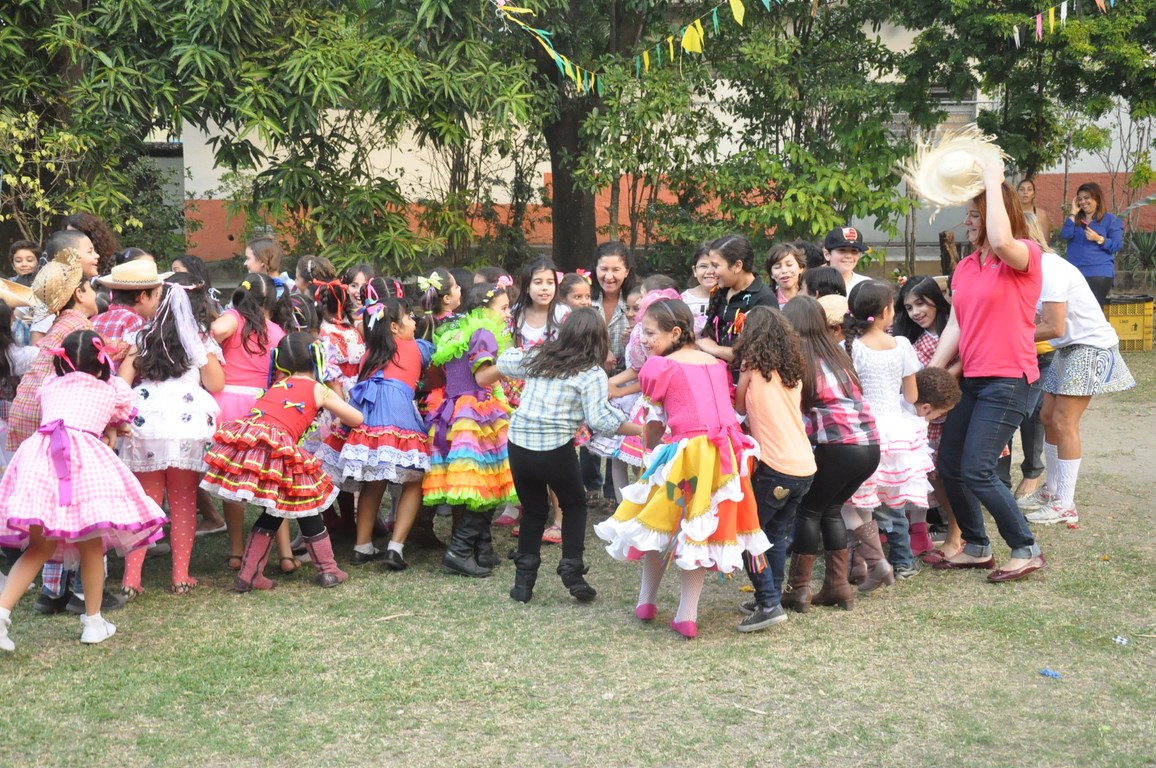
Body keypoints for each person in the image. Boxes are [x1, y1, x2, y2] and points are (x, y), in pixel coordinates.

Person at [594, 299, 768, 639]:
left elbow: (655, 422)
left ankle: (647, 601)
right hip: (724, 457)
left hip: (686, 455)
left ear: (675, 332)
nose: (643, 340)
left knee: (658, 521)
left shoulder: (660, 367)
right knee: (697, 530)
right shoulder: (715, 363)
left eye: (649, 333)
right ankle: (686, 615)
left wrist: (651, 452)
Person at [0, 329, 167, 651]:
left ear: (61, 362)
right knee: (91, 546)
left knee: (38, 548)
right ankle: (93, 621)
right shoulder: (111, 389)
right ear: (101, 361)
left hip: (40, 457)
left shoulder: (51, 385)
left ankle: (2, 614)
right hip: (83, 463)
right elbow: (117, 418)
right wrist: (117, 427)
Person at [928, 160, 1047, 582]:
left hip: (1010, 379)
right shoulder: (965, 266)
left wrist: (994, 181)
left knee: (978, 469)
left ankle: (1026, 548)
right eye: (969, 215)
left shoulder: (1024, 256)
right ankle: (977, 546)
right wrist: (933, 371)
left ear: (999, 213)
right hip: (974, 380)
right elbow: (957, 325)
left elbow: (1000, 238)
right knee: (949, 464)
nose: (967, 222)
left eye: (975, 215)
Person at [499, 308, 641, 604]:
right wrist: (640, 430)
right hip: (554, 449)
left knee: (533, 509)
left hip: (519, 444)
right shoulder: (591, 373)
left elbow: (504, 362)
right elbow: (601, 420)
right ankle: (571, 570)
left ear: (565, 333)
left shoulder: (540, 356)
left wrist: (519, 349)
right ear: (599, 339)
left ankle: (523, 584)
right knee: (574, 504)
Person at [202, 332, 364, 590]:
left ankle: (250, 575)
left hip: (255, 446)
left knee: (279, 509)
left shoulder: (277, 385)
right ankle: (328, 570)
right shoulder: (317, 388)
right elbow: (356, 418)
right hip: (280, 450)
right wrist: (335, 399)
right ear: (317, 358)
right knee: (301, 506)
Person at [116, 276, 224, 596]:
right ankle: (180, 576)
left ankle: (131, 578)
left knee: (145, 503)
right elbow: (216, 383)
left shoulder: (142, 335)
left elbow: (122, 382)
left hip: (146, 421)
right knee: (183, 500)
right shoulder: (199, 338)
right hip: (185, 424)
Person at [318, 289, 434, 571]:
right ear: (394, 326)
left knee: (374, 480)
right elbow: (432, 378)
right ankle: (396, 547)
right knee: (414, 480)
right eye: (409, 317)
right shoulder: (419, 348)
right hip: (398, 413)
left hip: (367, 415)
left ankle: (362, 546)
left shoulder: (369, 354)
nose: (414, 321)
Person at [1019, 248, 1135, 525]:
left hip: (1089, 346)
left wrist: (1008, 337)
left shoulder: (1051, 267)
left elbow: (1053, 326)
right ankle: (1052, 490)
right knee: (1047, 417)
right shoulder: (1031, 273)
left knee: (1064, 422)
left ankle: (1065, 504)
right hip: (1067, 348)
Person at [780, 296, 881, 609]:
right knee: (832, 508)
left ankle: (798, 589)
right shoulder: (838, 356)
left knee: (808, 510)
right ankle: (838, 588)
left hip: (839, 447)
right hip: (870, 446)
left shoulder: (800, 361)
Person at [842, 280, 937, 581]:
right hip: (895, 431)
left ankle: (863, 562)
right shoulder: (902, 345)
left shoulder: (849, 348)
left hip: (860, 431)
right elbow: (911, 395)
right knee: (893, 503)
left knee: (860, 501)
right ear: (886, 312)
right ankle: (903, 561)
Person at [422, 282, 516, 578]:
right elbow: (483, 376)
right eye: (503, 308)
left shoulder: (455, 330)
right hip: (475, 412)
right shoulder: (484, 332)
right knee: (485, 481)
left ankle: (482, 548)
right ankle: (459, 551)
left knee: (481, 481)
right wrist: (513, 364)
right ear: (484, 309)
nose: (508, 313)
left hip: (453, 410)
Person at [732, 305, 816, 631]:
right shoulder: (794, 371)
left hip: (775, 467)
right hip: (803, 466)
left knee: (749, 535)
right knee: (775, 534)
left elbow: (739, 408)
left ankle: (768, 602)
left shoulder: (751, 367)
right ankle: (771, 596)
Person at [210, 273, 290, 572]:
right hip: (264, 405)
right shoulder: (278, 332)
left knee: (232, 479)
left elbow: (216, 330)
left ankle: (236, 551)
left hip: (228, 404)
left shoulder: (234, 318)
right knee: (270, 480)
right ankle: (285, 554)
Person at [892, 275, 962, 560]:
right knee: (935, 476)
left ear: (937, 300)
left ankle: (957, 533)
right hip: (927, 420)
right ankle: (948, 531)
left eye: (921, 303)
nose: (915, 312)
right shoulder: (915, 341)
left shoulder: (955, 331)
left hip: (956, 413)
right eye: (909, 307)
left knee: (953, 476)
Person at [697, 234, 777, 367]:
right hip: (716, 374)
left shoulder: (764, 299)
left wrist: (716, 349)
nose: (711, 272)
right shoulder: (718, 291)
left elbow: (760, 355)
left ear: (737, 266)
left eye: (715, 266)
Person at [92, 260, 169, 373]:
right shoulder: (137, 323)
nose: (158, 302)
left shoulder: (94, 320)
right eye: (157, 295)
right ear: (143, 296)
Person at [1059, 182, 1122, 309]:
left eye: (1087, 198)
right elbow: (1065, 235)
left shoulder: (1110, 220)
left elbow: (1116, 245)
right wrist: (1073, 213)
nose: (1083, 202)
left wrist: (1099, 239)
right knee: (1074, 311)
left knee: (1093, 311)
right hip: (1075, 273)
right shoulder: (1076, 220)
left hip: (1098, 273)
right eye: (1080, 199)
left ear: (1097, 199)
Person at [822, 226, 872, 292]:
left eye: (854, 251)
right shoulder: (812, 282)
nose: (849, 256)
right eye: (842, 250)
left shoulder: (866, 285)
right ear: (827, 254)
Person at [680, 243, 715, 330]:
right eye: (703, 266)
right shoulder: (684, 300)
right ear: (694, 270)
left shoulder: (731, 298)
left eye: (715, 265)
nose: (709, 271)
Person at [766, 243, 806, 308]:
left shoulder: (811, 296)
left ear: (801, 268)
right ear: (771, 274)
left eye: (789, 265)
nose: (784, 271)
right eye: (777, 267)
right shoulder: (767, 301)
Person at [1017, 177, 1052, 244]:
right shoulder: (1010, 213)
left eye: (1029, 189)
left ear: (1034, 194)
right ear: (1017, 193)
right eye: (1021, 190)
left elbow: (1046, 241)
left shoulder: (1042, 215)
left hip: (1036, 249)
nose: (1025, 192)